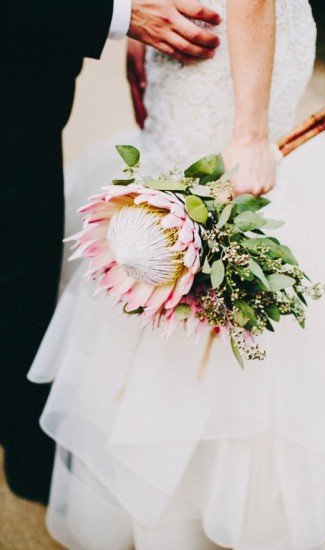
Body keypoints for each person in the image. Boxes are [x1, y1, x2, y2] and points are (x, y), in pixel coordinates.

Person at [28, 0, 325, 548]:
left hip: (234, 41)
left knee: (227, 234)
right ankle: (167, 491)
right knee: (164, 236)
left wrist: (253, 133)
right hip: (184, 36)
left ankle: (227, 499)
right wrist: (137, 23)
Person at [0, 1, 221, 505]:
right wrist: (117, 15)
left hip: (28, 89)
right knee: (19, 271)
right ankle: (30, 453)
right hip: (13, 95)